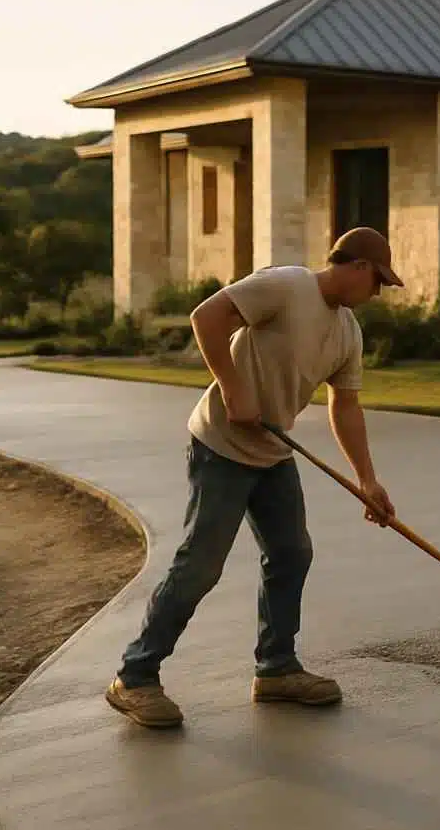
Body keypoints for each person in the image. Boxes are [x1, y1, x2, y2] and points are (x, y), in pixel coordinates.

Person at [105, 226, 403, 729]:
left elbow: (346, 406)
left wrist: (367, 481)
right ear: (358, 267)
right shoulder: (287, 285)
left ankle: (276, 669)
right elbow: (207, 316)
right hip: (220, 445)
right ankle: (134, 677)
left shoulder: (347, 331)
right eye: (378, 281)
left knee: (291, 553)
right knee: (201, 564)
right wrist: (232, 386)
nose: (377, 294)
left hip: (272, 451)